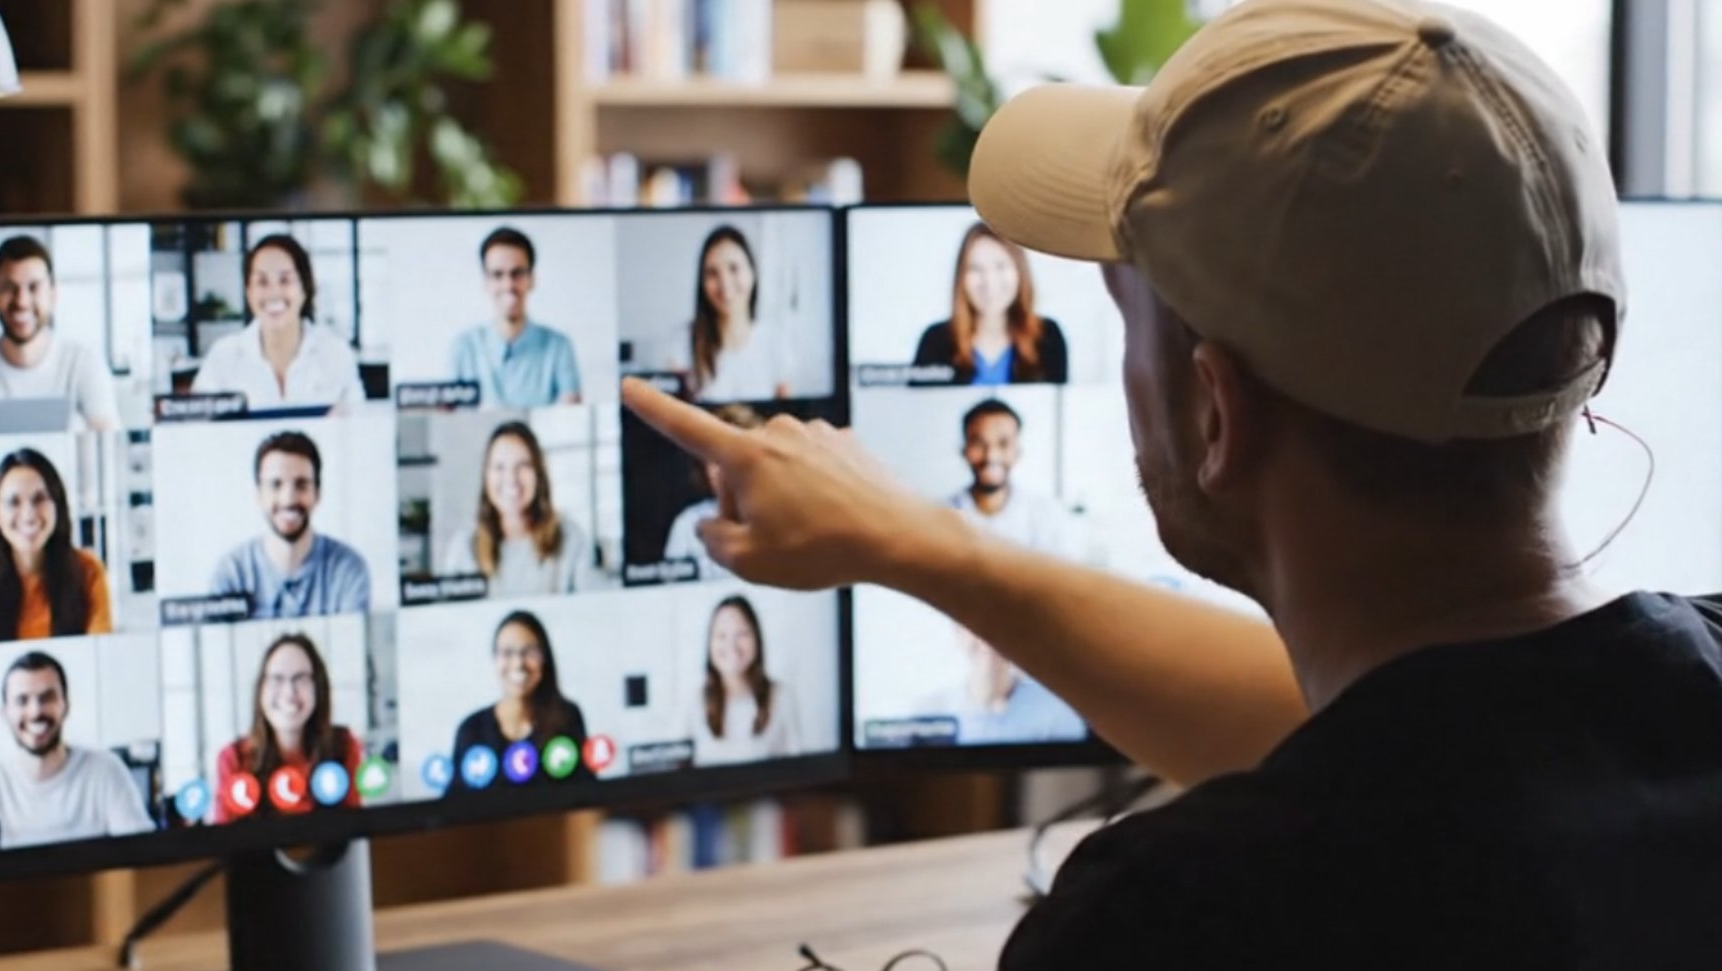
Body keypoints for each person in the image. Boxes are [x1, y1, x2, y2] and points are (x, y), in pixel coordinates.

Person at [621, 1, 1722, 966]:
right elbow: (1431, 741)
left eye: (1122, 307)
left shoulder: (1177, 916)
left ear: (1214, 412)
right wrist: (923, 543)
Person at [0, 652, 154, 848]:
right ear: (5, 713)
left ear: (66, 706)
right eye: (22, 700)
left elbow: (142, 855)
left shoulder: (106, 771)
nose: (35, 712)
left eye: (47, 698)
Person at [0, 235, 121, 430]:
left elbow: (107, 438)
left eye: (34, 287)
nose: (21, 302)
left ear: (53, 295)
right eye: (9, 287)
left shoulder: (84, 362)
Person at [0, 449, 113, 642]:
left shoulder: (88, 571)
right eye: (13, 502)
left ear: (57, 506)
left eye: (39, 499)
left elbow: (101, 650)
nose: (29, 515)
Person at [190, 234, 365, 413]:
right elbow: (199, 425)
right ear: (248, 292)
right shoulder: (223, 357)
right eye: (262, 282)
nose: (274, 293)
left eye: (285, 280)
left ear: (305, 288)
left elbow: (359, 422)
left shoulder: (336, 354)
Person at [210, 431, 371, 618]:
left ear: (317, 493)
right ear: (258, 495)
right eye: (275, 484)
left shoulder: (348, 570)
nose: (288, 499)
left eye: (301, 485)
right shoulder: (231, 573)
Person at [213, 633, 364, 822]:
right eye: (277, 679)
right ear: (261, 688)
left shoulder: (344, 746)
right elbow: (225, 837)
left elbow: (355, 828)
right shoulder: (233, 758)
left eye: (300, 679)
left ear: (318, 688)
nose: (289, 692)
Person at [441, 421, 602, 596]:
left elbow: (592, 606)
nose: (511, 479)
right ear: (486, 476)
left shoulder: (571, 538)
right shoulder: (464, 547)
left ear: (539, 474)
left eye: (523, 466)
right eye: (499, 467)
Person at [909, 222, 1068, 385]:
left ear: (1019, 271)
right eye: (975, 269)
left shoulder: (1047, 338)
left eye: (1000, 267)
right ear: (961, 277)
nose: (989, 282)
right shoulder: (936, 341)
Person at [450, 611, 594, 787]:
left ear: (544, 658)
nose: (518, 663)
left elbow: (586, 794)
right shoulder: (471, 730)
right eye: (507, 653)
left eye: (529, 652)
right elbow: (455, 802)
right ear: (495, 659)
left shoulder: (567, 718)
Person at [448, 227, 583, 408]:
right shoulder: (464, 348)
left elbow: (571, 414)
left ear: (532, 279)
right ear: (486, 282)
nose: (508, 285)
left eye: (517, 273)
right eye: (497, 275)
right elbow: (450, 416)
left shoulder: (559, 347)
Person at [661, 226, 795, 403]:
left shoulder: (775, 343)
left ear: (752, 273)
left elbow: (787, 414)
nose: (724, 283)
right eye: (712, 273)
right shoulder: (681, 343)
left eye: (733, 268)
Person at [946, 399, 1086, 559]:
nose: (991, 456)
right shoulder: (943, 516)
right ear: (964, 451)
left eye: (1003, 444)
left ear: (1017, 452)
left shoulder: (1046, 516)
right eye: (979, 443)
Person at [912, 624, 1083, 745]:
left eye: (999, 623)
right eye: (974, 623)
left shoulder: (1057, 712)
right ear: (958, 633)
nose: (987, 635)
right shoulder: (929, 711)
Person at [686, 594, 801, 765]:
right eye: (721, 635)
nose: (731, 645)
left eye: (742, 634)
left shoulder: (782, 696)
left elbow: (797, 767)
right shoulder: (693, 701)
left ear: (757, 638)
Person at [664, 403, 765, 580]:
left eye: (734, 458)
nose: (723, 470)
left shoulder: (780, 520)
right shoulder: (686, 525)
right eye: (714, 459)